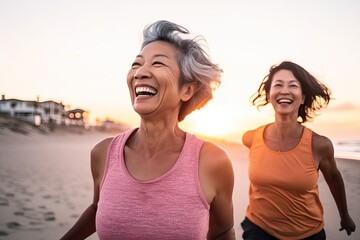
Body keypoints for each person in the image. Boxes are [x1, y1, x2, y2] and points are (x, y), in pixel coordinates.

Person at [61, 20, 235, 240]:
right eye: (136, 64)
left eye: (158, 64)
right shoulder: (102, 153)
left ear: (187, 90)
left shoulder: (212, 161)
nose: (140, 73)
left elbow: (223, 231)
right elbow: (98, 208)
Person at [241, 61, 356, 239]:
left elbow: (333, 178)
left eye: (292, 85)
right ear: (269, 94)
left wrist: (344, 216)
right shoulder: (251, 138)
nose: (284, 90)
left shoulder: (319, 145)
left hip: (307, 233)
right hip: (258, 228)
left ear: (302, 98)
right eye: (278, 85)